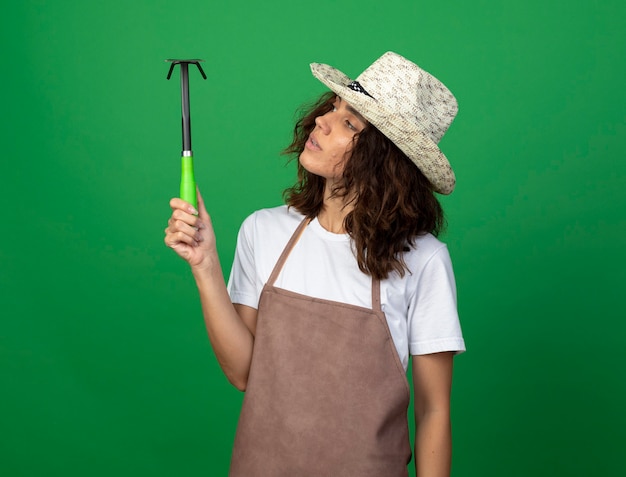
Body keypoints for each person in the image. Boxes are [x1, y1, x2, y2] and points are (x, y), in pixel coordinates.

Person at [164, 51, 465, 477]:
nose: (323, 120)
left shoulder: (424, 260)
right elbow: (243, 373)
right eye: (333, 106)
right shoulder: (263, 231)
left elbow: (434, 412)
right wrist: (205, 265)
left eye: (350, 123)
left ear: (384, 159)